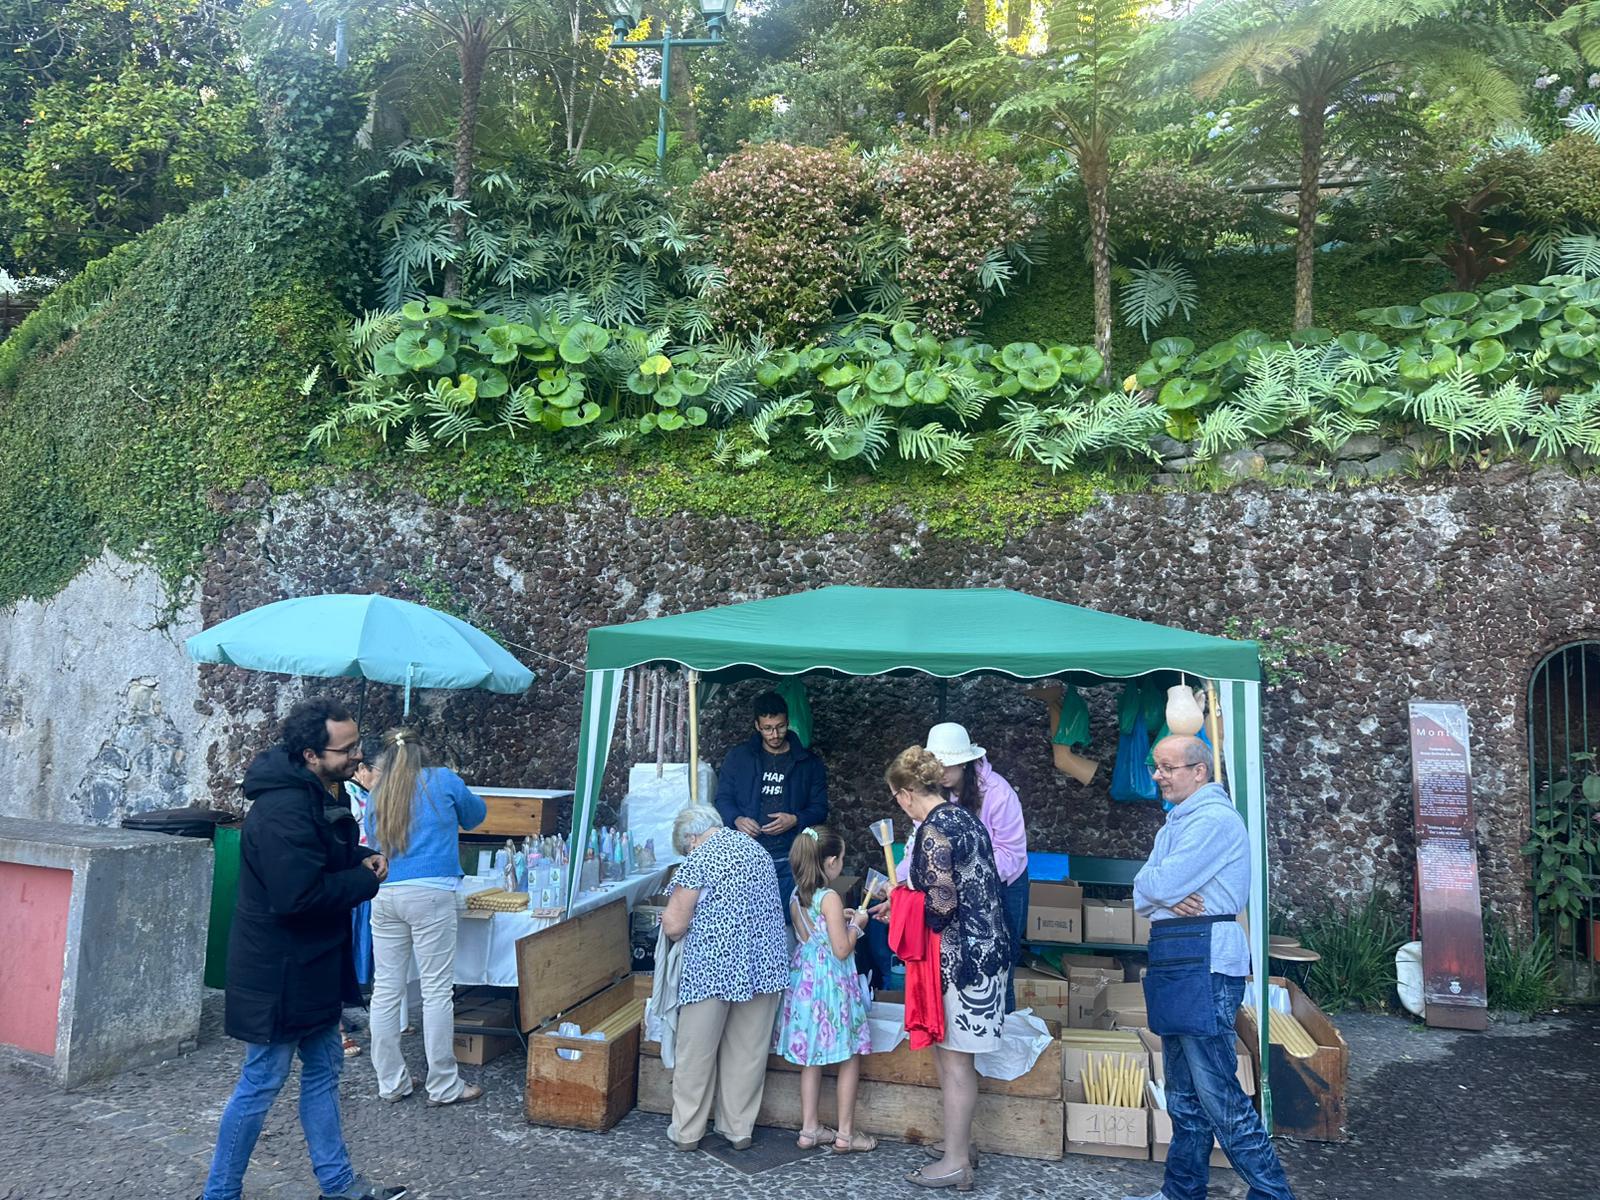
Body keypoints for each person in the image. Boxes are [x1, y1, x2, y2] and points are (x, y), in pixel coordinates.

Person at [200, 697, 406, 1200]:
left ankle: (339, 1187)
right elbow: (297, 897)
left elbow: (321, 855)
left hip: (311, 966)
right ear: (312, 754)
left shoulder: (317, 791)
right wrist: (363, 880)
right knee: (260, 1084)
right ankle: (218, 1194)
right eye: (347, 749)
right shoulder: (282, 809)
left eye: (358, 743)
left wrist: (360, 856)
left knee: (325, 1071)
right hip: (278, 975)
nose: (358, 756)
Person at [1123, 735, 1296, 1200]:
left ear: (1199, 771)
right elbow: (1142, 894)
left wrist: (1158, 888)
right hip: (1179, 956)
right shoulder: (1178, 823)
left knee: (1219, 1093)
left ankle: (1273, 1192)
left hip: (1206, 963)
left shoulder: (1214, 821)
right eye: (1156, 765)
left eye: (1167, 767)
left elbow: (1156, 882)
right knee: (1183, 1096)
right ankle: (1181, 1192)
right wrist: (1158, 890)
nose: (1157, 775)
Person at [890, 746, 1010, 1191]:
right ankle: (959, 1145)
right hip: (988, 953)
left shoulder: (934, 831)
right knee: (957, 1059)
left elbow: (941, 904)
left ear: (905, 794)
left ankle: (957, 1160)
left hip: (960, 962)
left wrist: (904, 906)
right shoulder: (966, 819)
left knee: (955, 1061)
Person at [364, 726, 487, 1107]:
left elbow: (370, 837)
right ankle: (444, 1084)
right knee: (436, 991)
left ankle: (391, 1082)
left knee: (386, 990)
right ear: (424, 753)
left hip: (384, 893)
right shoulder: (443, 780)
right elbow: (476, 815)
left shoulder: (377, 792)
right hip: (432, 893)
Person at [660, 805, 789, 1152]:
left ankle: (687, 1131)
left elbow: (674, 924)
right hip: (765, 964)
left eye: (685, 847)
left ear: (691, 838)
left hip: (713, 968)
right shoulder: (756, 850)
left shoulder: (700, 858)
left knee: (696, 1052)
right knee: (747, 1051)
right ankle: (738, 1128)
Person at [771, 825, 877, 1154]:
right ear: (830, 861)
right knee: (848, 1056)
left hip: (805, 983)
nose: (842, 865)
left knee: (810, 1060)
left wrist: (839, 920)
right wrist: (856, 926)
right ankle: (845, 1134)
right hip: (831, 984)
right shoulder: (830, 896)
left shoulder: (796, 894)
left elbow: (814, 933)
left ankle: (809, 1129)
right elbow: (842, 949)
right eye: (841, 859)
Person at [924, 722, 1029, 1013]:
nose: (942, 771)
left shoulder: (999, 792)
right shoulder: (931, 790)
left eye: (949, 765)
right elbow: (921, 839)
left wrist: (968, 875)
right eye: (937, 765)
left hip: (1004, 885)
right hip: (954, 886)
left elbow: (1013, 852)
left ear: (966, 762)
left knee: (1000, 963)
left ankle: (1001, 1037)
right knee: (956, 961)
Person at [713, 690, 829, 917]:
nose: (775, 734)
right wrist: (737, 819)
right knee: (749, 920)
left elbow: (820, 808)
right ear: (757, 725)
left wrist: (796, 819)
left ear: (788, 722)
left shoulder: (808, 762)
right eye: (768, 728)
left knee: (791, 923)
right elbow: (722, 799)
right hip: (747, 858)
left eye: (781, 726)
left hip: (792, 858)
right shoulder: (738, 758)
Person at [341, 757, 380, 1057]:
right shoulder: (347, 795)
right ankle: (337, 1029)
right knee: (345, 951)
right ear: (362, 770)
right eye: (378, 771)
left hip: (367, 880)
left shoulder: (367, 795)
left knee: (360, 955)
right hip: (351, 882)